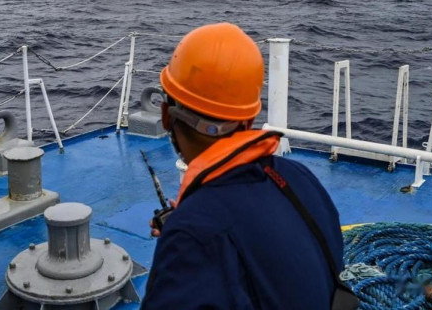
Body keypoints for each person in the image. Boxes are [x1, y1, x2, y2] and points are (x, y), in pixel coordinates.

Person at [141, 22, 345, 310]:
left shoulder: (190, 234)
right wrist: (194, 221)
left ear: (165, 116)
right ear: (248, 120)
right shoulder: (299, 177)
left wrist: (189, 231)